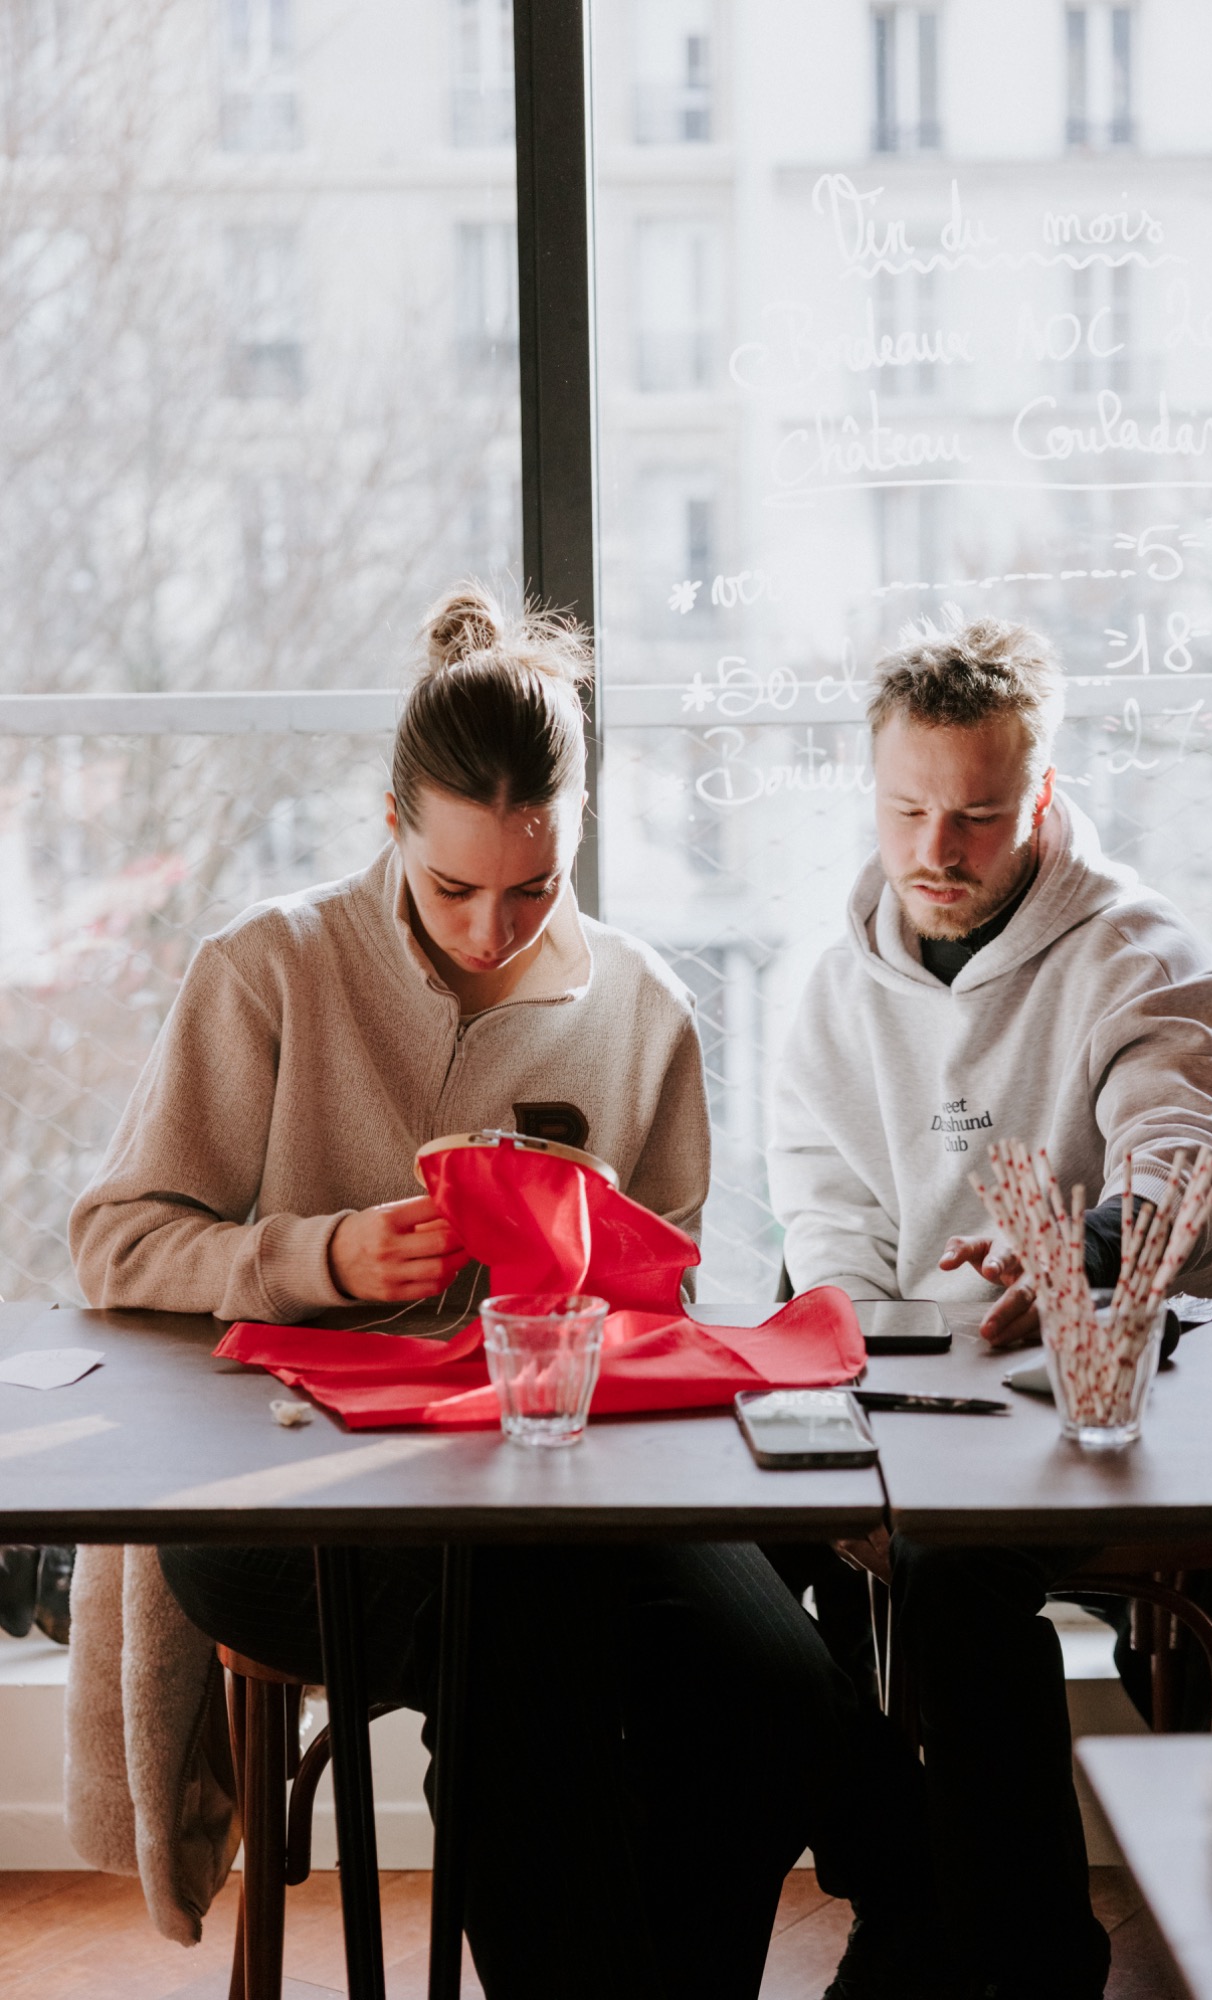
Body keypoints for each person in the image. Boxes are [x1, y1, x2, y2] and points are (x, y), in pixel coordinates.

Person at [66, 586, 911, 2000]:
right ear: (391, 824)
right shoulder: (270, 968)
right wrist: (324, 1258)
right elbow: (116, 1240)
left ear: (578, 832)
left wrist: (587, 1269)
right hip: (285, 1490)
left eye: (532, 887)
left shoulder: (637, 1006)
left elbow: (663, 1301)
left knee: (775, 1690)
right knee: (526, 1659)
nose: (490, 926)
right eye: (453, 887)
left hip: (563, 1486)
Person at [768, 613, 1212, 2000]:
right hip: (925, 1392)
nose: (937, 848)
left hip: (1123, 1383)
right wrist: (859, 1397)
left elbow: (1191, 1156)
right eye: (908, 810)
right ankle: (902, 1899)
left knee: (953, 1565)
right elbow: (828, 1221)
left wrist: (1084, 1251)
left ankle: (1029, 1958)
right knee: (742, 1559)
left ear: (1040, 797)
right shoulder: (832, 989)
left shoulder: (1140, 954)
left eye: (978, 816)